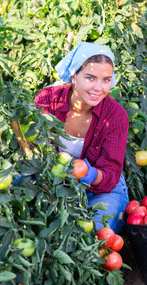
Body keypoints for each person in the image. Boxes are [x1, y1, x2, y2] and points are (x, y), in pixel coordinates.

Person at [34, 42, 129, 232]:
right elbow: (31, 147)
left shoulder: (115, 116)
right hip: (53, 185)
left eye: (106, 80)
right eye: (91, 78)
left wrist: (88, 173)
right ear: (74, 76)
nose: (99, 88)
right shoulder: (47, 101)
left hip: (101, 190)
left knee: (94, 233)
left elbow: (110, 174)